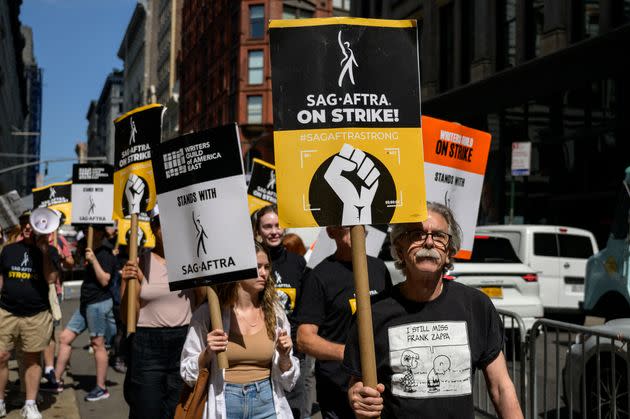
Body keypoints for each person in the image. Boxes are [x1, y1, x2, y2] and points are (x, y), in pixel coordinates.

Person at [343, 202, 523, 418]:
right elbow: (356, 385)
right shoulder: (371, 313)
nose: (429, 242)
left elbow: (501, 387)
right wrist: (358, 397)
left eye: (439, 236)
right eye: (417, 235)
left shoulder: (476, 305)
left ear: (449, 251)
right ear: (399, 249)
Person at [180, 242, 299, 418]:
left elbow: (289, 381)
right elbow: (186, 373)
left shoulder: (275, 312)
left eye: (266, 267)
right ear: (238, 269)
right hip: (226, 402)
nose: (264, 273)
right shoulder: (210, 314)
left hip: (267, 402)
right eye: (257, 267)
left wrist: (284, 356)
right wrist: (207, 352)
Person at [294, 225, 392, 419]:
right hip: (337, 390)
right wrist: (351, 353)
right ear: (331, 233)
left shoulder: (379, 268)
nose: (353, 230)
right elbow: (304, 338)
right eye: (346, 226)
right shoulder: (319, 276)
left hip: (378, 387)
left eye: (357, 225)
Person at [120, 213, 205, 419]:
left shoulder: (190, 261)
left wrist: (199, 276)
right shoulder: (139, 263)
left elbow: (203, 302)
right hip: (147, 345)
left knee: (178, 408)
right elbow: (126, 316)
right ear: (153, 228)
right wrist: (130, 281)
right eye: (161, 225)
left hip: (183, 341)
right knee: (146, 408)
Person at [41, 225, 117, 402]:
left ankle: (101, 388)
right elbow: (72, 263)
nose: (85, 233)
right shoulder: (89, 247)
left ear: (98, 233)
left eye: (90, 230)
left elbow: (105, 280)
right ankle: (56, 380)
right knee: (65, 338)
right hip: (86, 303)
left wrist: (94, 260)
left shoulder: (105, 252)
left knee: (98, 344)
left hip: (98, 304)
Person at [0, 211, 60, 419]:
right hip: (7, 311)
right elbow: (2, 278)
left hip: (36, 314)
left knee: (32, 359)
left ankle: (30, 403)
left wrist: (43, 251)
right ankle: (0, 401)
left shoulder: (49, 251)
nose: (27, 227)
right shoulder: (8, 251)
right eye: (24, 223)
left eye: (30, 224)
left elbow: (51, 278)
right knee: (1, 356)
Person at [253, 205, 307, 418]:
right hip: (262, 350)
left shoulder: (297, 262)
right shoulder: (253, 263)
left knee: (295, 411)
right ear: (258, 231)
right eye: (267, 226)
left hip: (292, 352)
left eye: (277, 225)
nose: (274, 231)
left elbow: (303, 307)